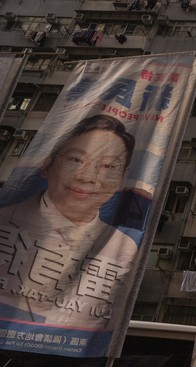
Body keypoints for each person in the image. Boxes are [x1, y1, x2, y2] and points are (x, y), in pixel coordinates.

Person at [0, 114, 138, 327]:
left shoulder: (123, 247)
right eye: (76, 160)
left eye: (108, 166)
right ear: (48, 164)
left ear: (122, 178)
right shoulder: (5, 221)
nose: (87, 177)